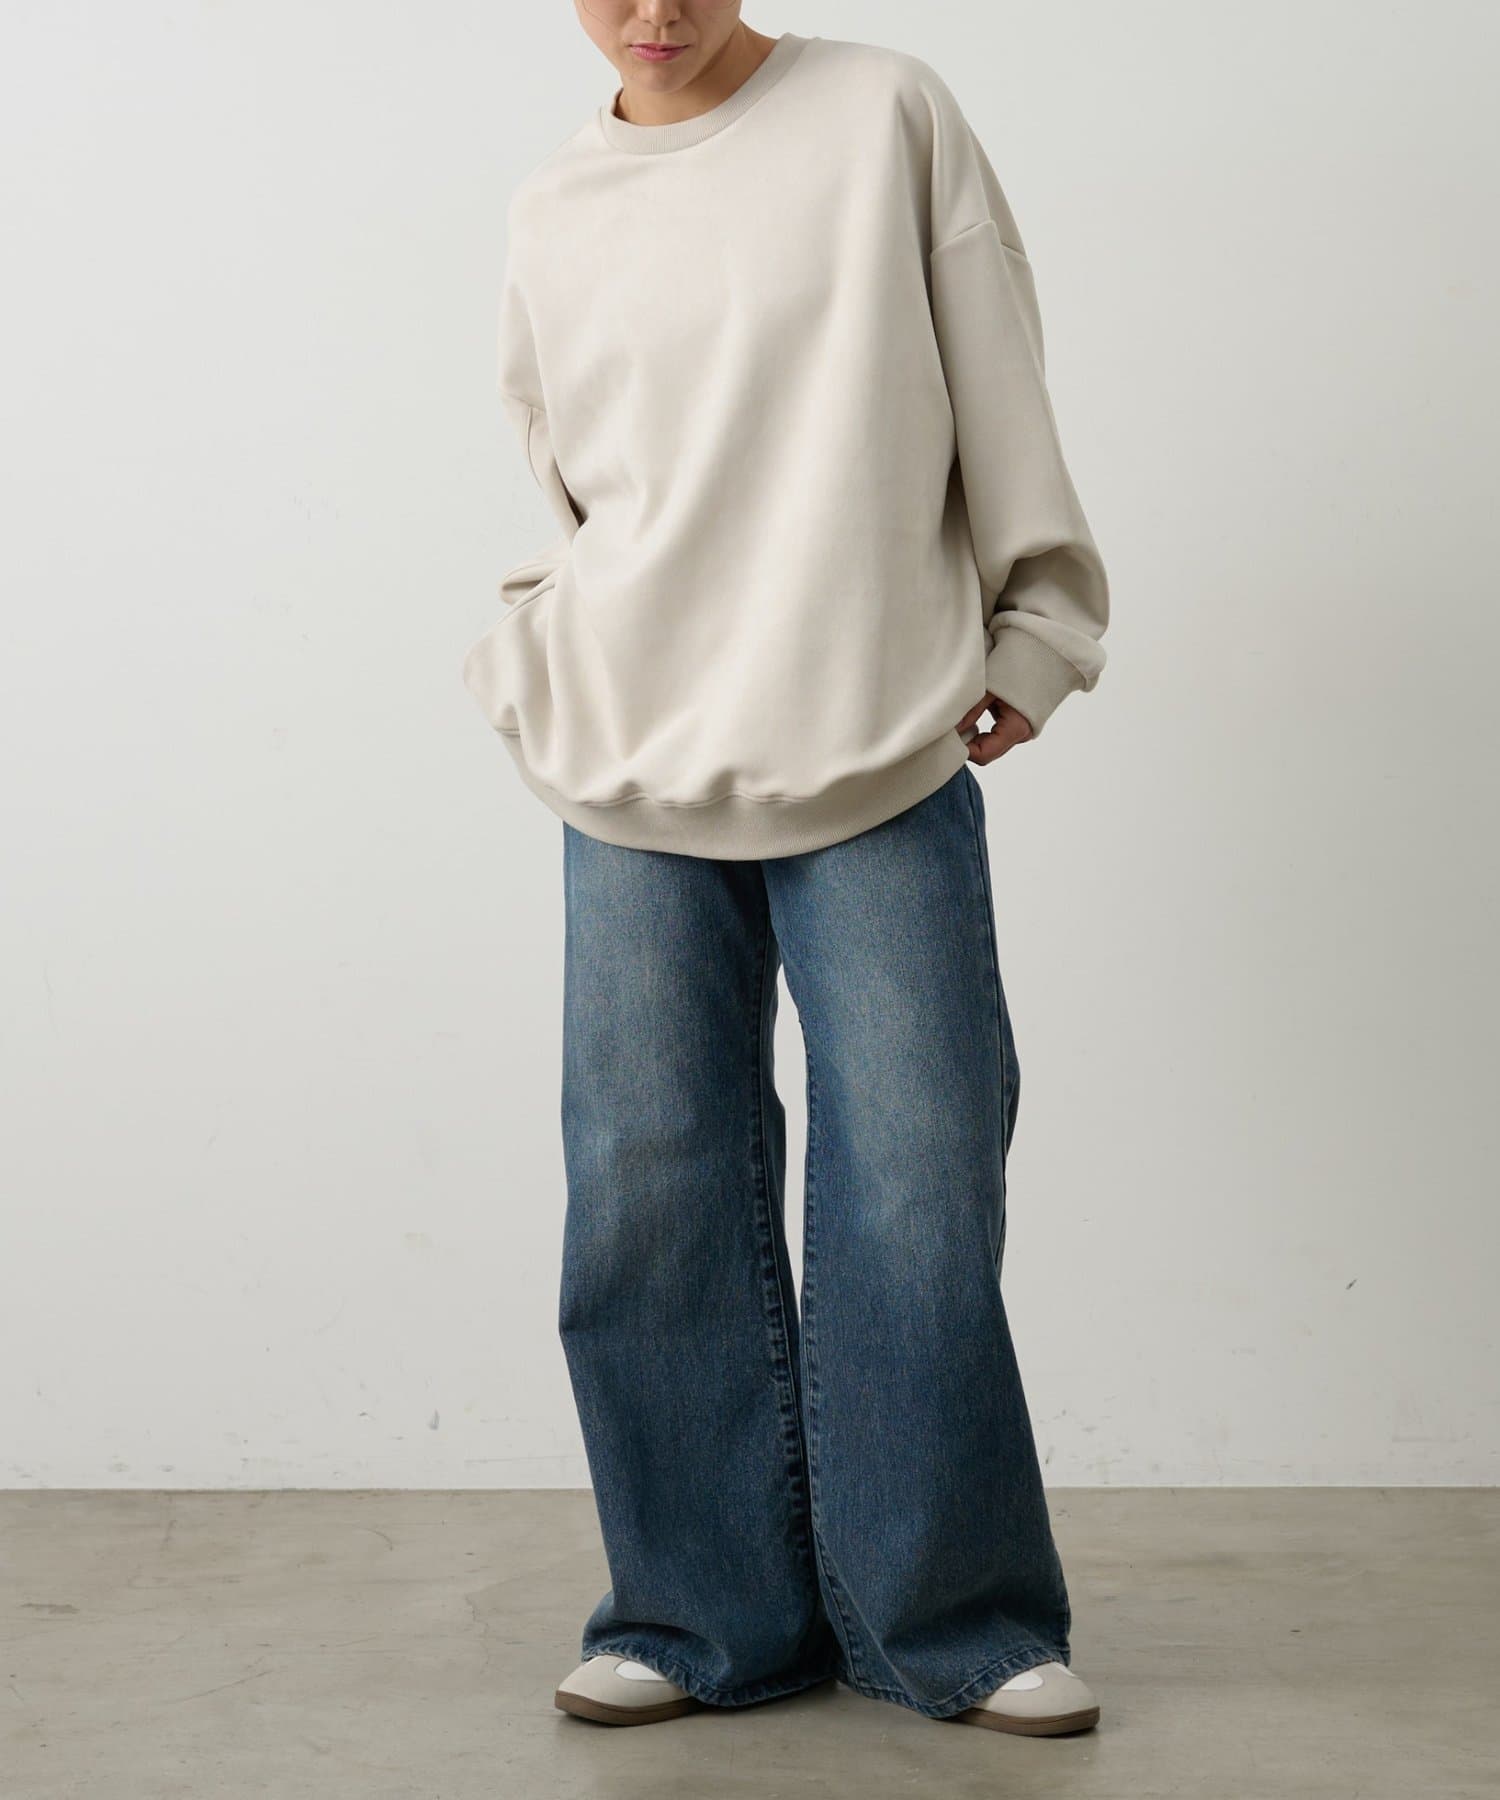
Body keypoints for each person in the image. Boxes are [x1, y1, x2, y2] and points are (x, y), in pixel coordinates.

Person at [463, 2, 1110, 1739]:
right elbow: (569, 485)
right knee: (647, 1187)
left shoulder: (882, 115)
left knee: (919, 1176)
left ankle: (955, 1624)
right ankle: (696, 1616)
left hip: (876, 729)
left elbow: (998, 372)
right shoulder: (556, 205)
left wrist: (1041, 628)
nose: (654, 16)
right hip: (630, 755)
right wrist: (537, 646)